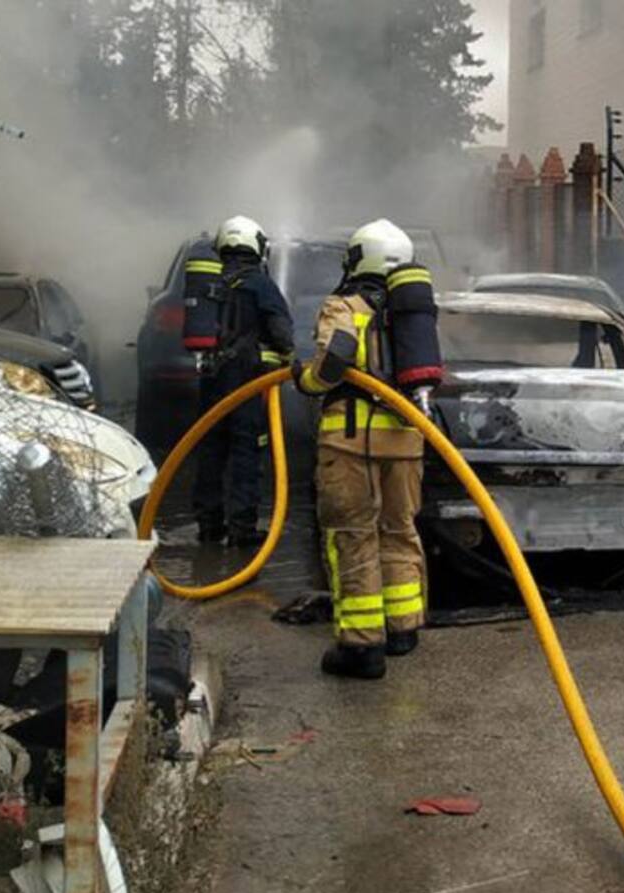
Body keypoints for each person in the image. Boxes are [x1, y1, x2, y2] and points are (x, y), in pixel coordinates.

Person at [294, 219, 442, 680]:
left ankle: (361, 648)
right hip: (406, 440)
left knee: (352, 534)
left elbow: (335, 360)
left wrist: (305, 380)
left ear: (358, 258)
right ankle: (402, 629)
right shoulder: (413, 313)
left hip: (351, 441)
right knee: (399, 530)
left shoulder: (344, 305)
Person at [186, 216, 294, 547]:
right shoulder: (260, 284)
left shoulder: (209, 281)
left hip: (211, 379)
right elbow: (281, 333)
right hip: (247, 381)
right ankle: (242, 528)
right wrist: (287, 358)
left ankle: (208, 526)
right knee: (246, 451)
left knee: (211, 449)